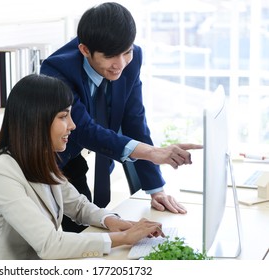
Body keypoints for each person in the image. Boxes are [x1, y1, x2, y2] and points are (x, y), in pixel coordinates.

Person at [40, 2, 202, 232]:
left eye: (127, 52)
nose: (121, 64)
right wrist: (154, 153)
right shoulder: (56, 72)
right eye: (110, 57)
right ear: (85, 50)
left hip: (83, 157)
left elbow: (134, 120)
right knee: (74, 232)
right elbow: (84, 129)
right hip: (52, 161)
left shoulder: (132, 59)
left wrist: (156, 188)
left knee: (93, 225)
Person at [0, 74, 164, 260]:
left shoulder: (41, 159)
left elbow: (79, 206)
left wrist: (112, 221)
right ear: (36, 120)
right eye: (64, 116)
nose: (72, 125)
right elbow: (49, 244)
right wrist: (122, 238)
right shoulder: (3, 171)